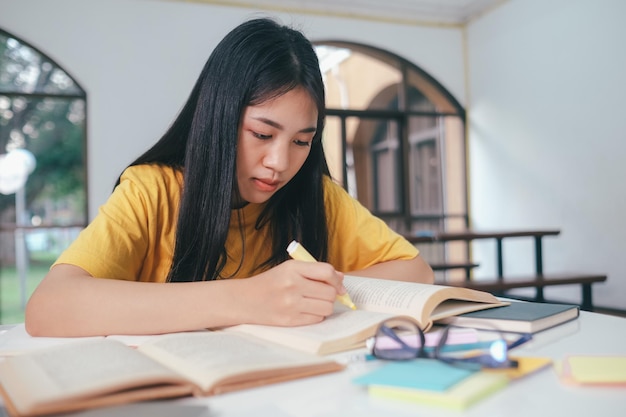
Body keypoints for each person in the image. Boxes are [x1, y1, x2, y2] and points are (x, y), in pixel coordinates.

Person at [25, 18, 434, 337]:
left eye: (301, 141)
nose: (279, 162)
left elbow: (415, 271)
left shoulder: (315, 194)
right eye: (262, 134)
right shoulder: (153, 189)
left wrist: (312, 290)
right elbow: (49, 307)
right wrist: (250, 298)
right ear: (219, 118)